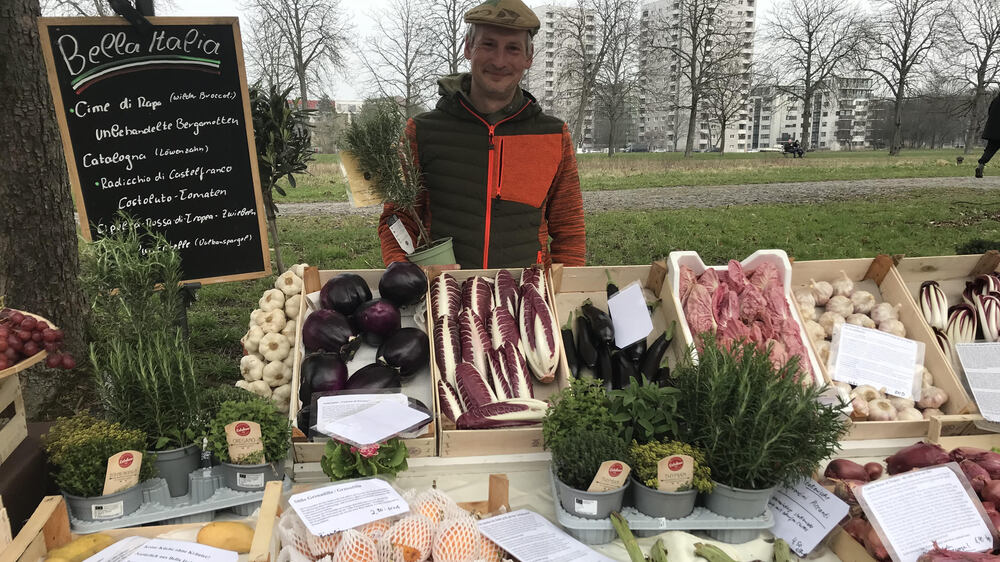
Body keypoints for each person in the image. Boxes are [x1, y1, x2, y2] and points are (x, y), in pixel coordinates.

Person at [377, 0, 586, 269]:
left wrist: (564, 290)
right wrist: (404, 272)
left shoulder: (553, 136)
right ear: (467, 47)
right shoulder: (422, 131)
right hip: (444, 295)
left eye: (512, 48)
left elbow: (569, 233)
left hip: (525, 298)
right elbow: (397, 219)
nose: (499, 61)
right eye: (488, 44)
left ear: (529, 57)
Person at [976, 93, 1000, 178]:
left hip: (993, 131)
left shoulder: (995, 100)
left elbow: (990, 112)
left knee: (990, 150)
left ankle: (981, 165)